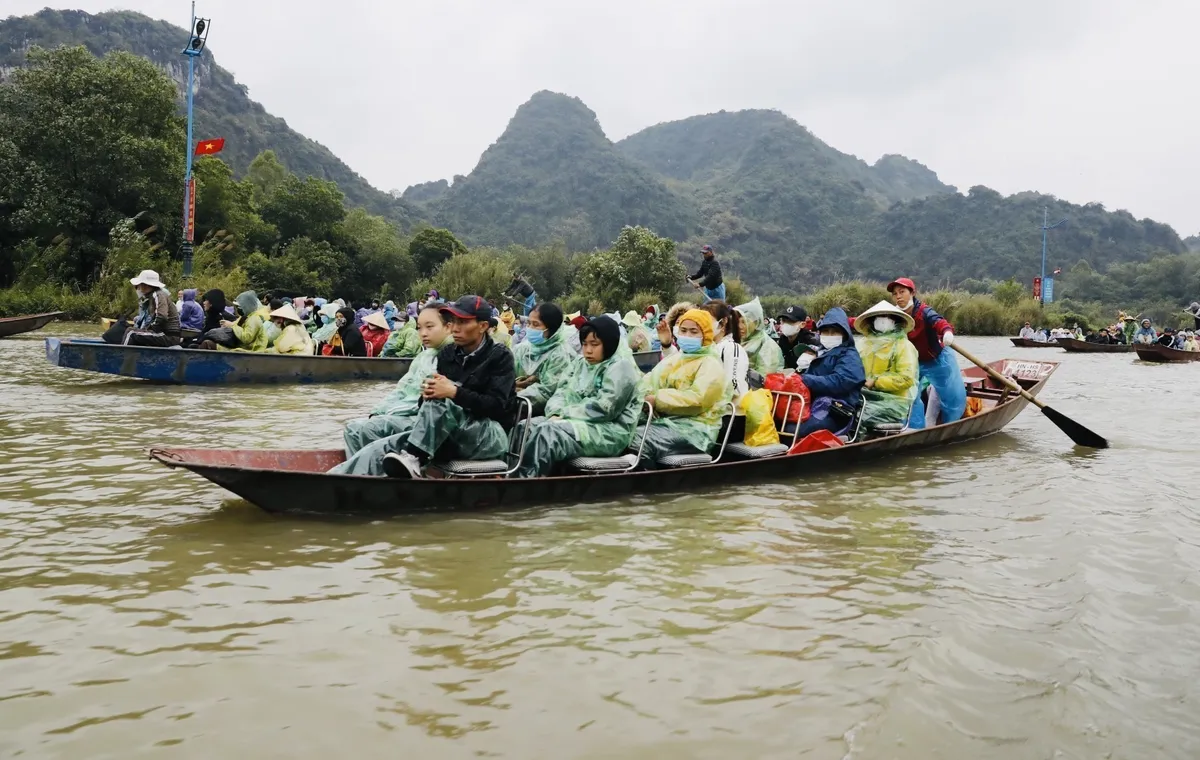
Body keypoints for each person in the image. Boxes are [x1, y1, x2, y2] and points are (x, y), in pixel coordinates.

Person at [380, 296, 517, 479]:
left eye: (462, 322)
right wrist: (427, 393)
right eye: (453, 322)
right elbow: (429, 404)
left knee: (441, 399)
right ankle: (346, 479)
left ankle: (414, 457)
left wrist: (454, 392)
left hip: (488, 435)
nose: (454, 328)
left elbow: (497, 406)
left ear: (483, 326)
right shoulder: (448, 353)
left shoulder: (500, 357)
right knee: (376, 443)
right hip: (449, 430)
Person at [331, 304, 456, 471]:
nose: (423, 333)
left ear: (448, 327)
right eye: (419, 327)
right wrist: (378, 411)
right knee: (353, 429)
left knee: (369, 430)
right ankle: (365, 476)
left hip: (423, 419)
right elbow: (402, 389)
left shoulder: (452, 356)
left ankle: (374, 475)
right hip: (402, 413)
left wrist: (389, 414)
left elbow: (429, 403)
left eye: (430, 327)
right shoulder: (424, 356)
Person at [515, 315, 643, 478]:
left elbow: (605, 408)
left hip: (609, 431)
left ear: (609, 344)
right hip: (574, 421)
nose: (588, 350)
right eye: (584, 344)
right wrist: (555, 413)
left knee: (548, 432)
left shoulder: (621, 368)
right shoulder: (579, 363)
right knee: (524, 427)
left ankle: (526, 483)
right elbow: (560, 393)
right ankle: (510, 474)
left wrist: (565, 415)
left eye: (594, 344)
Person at [635, 308, 731, 469]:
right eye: (683, 330)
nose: (687, 336)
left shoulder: (711, 364)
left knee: (638, 441)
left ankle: (647, 487)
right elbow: (649, 381)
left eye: (694, 332)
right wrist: (641, 396)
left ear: (706, 336)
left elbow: (698, 400)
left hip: (695, 429)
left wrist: (657, 399)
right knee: (622, 430)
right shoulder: (676, 359)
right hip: (667, 421)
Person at [887, 277, 966, 429]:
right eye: (895, 293)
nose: (898, 296)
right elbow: (867, 320)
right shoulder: (895, 316)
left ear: (912, 293)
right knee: (909, 396)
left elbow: (939, 321)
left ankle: (950, 426)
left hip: (937, 359)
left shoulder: (924, 311)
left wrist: (947, 331)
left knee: (952, 396)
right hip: (913, 362)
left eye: (902, 292)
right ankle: (914, 429)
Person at [793, 307, 866, 438]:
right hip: (814, 405)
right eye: (826, 331)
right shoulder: (820, 353)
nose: (830, 335)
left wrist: (806, 379)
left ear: (844, 334)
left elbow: (841, 381)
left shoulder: (850, 355)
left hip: (838, 409)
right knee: (780, 421)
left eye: (835, 332)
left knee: (796, 430)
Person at [853, 301, 919, 431]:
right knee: (839, 410)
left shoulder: (903, 346)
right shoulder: (863, 344)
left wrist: (876, 382)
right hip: (863, 397)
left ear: (895, 321)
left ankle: (859, 447)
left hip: (893, 403)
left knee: (858, 418)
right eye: (879, 317)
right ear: (872, 321)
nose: (883, 320)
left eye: (888, 317)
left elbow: (906, 379)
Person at [511, 303, 578, 414]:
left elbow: (546, 392)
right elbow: (504, 375)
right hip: (513, 403)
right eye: (528, 323)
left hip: (539, 412)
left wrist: (513, 396)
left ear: (551, 328)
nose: (530, 328)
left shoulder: (561, 355)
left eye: (535, 325)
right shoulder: (522, 349)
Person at [124, 270, 181, 347]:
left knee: (130, 332)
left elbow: (161, 316)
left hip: (168, 336)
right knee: (131, 331)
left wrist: (150, 329)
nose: (139, 288)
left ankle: (121, 357)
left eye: (140, 284)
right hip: (163, 334)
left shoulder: (158, 295)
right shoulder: (151, 297)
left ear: (146, 285)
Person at [734, 297, 785, 375]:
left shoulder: (767, 345)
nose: (739, 326)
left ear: (756, 323)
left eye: (744, 322)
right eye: (737, 322)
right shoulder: (741, 340)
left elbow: (764, 375)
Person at [776, 304, 818, 370]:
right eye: (784, 321)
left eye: (790, 321)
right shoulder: (782, 340)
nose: (786, 324)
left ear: (802, 324)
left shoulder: (810, 342)